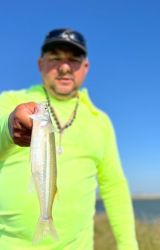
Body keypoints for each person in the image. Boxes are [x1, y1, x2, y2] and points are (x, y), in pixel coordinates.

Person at [0, 28, 138, 250]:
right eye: (55, 58)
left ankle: (47, 219)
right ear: (40, 64)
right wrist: (9, 128)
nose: (64, 67)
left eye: (74, 59)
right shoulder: (10, 100)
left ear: (85, 67)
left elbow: (114, 187)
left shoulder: (100, 121)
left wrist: (128, 245)